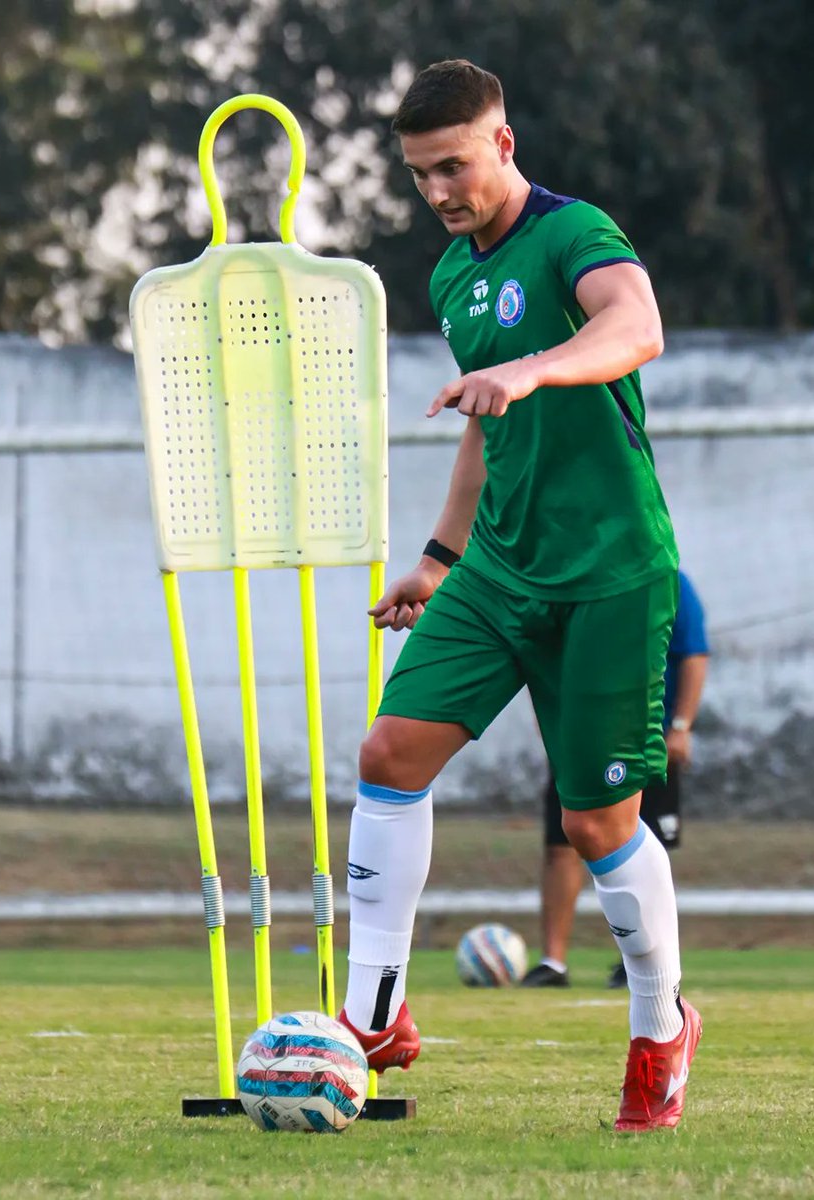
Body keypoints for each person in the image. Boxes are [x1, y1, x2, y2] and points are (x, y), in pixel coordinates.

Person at [336, 59, 702, 1132]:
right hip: (497, 570)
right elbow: (488, 435)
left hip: (610, 572)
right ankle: (374, 1017)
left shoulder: (574, 231)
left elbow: (637, 327)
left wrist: (535, 367)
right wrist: (441, 559)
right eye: (418, 175)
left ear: (502, 141)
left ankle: (657, 1028)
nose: (440, 191)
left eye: (453, 165)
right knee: (388, 756)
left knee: (598, 823)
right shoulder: (454, 276)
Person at [521, 570, 709, 989]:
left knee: (644, 847)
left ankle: (643, 960)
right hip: (579, 736)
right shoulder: (567, 580)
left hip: (644, 738)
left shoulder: (670, 582)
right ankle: (554, 962)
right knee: (561, 846)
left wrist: (680, 725)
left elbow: (694, 653)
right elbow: (543, 654)